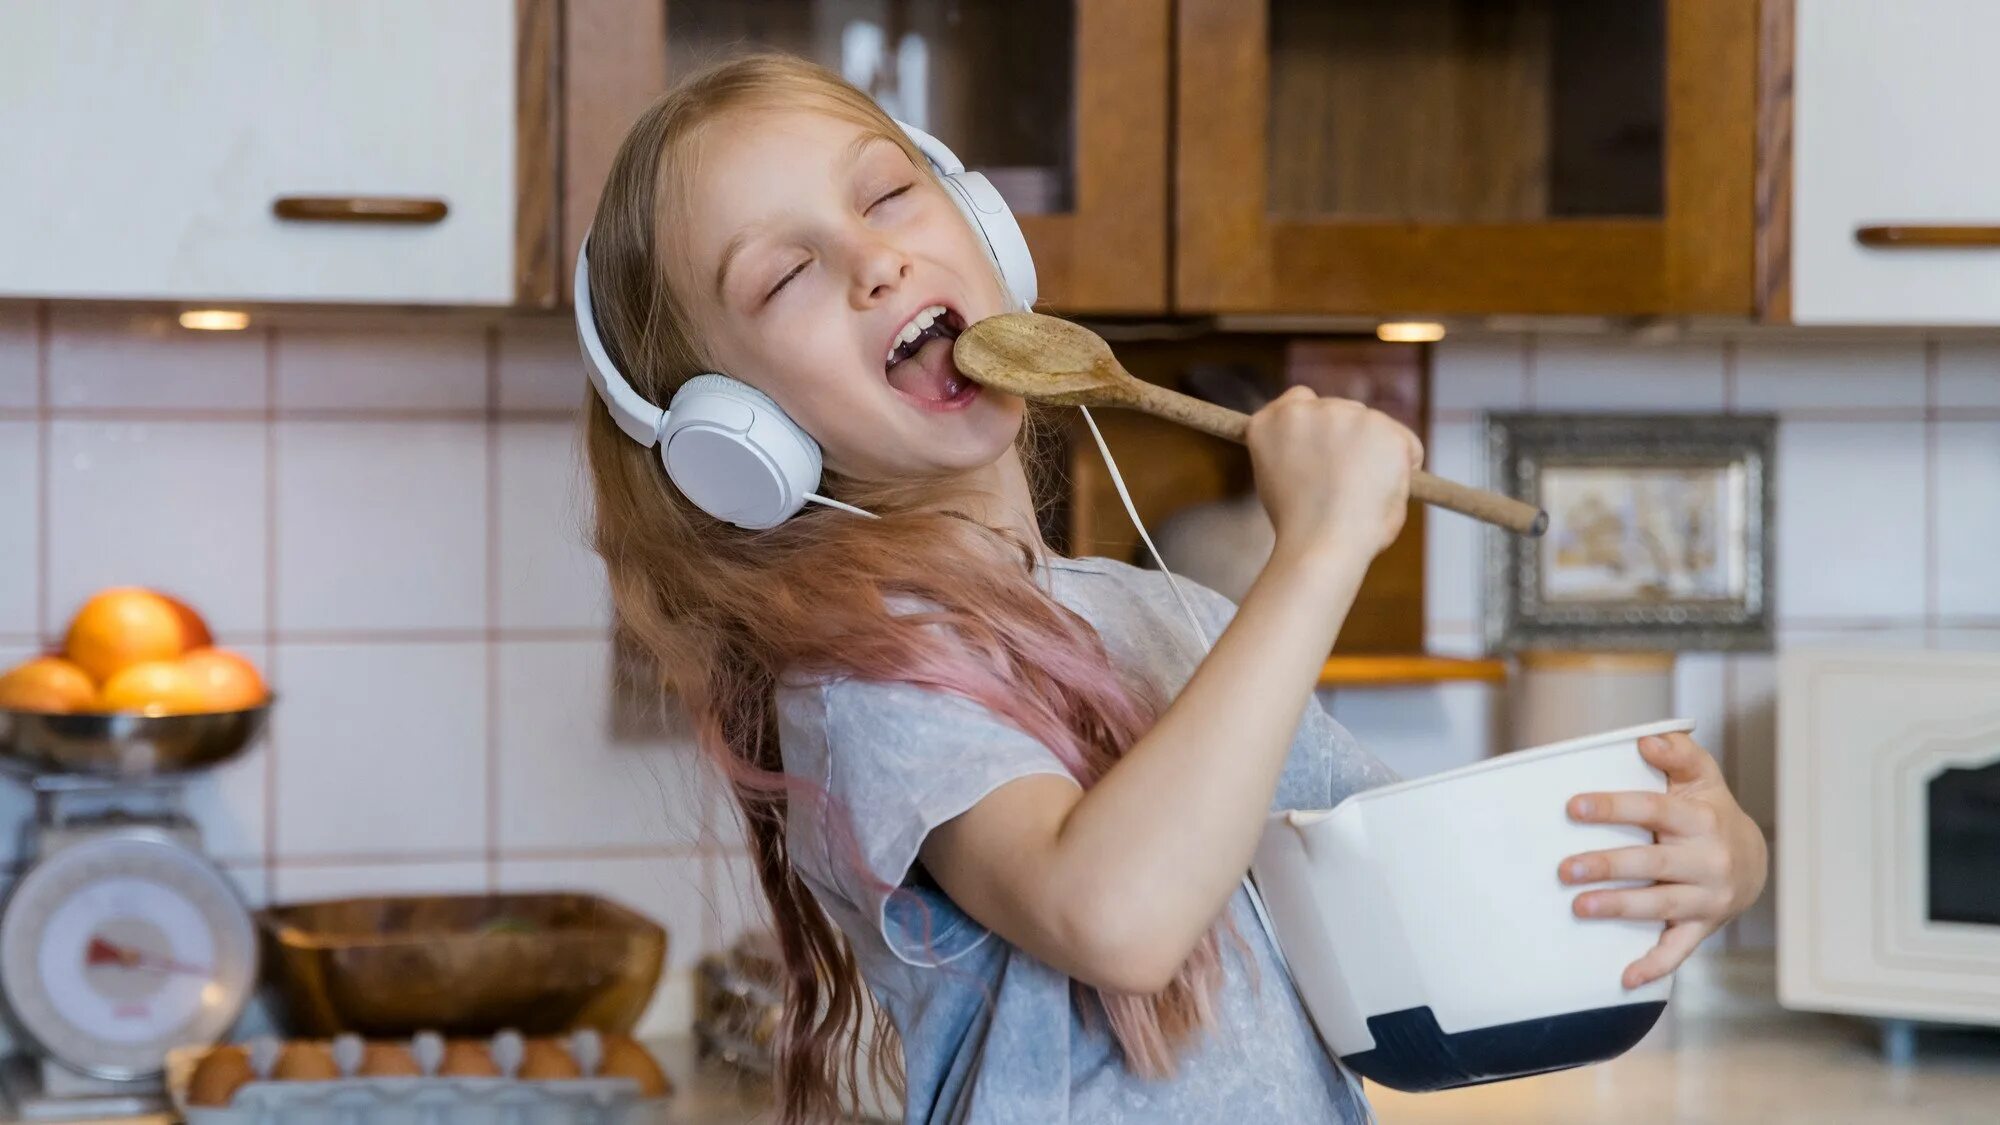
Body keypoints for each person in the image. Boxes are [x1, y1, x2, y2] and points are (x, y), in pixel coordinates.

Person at [575, 53, 1768, 1125]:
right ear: (733, 434)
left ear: (983, 225)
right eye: (785, 276)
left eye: (888, 195)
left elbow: (1418, 884)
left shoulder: (1170, 621)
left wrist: (1702, 858)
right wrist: (1310, 558)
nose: (873, 257)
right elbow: (1114, 917)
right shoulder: (866, 679)